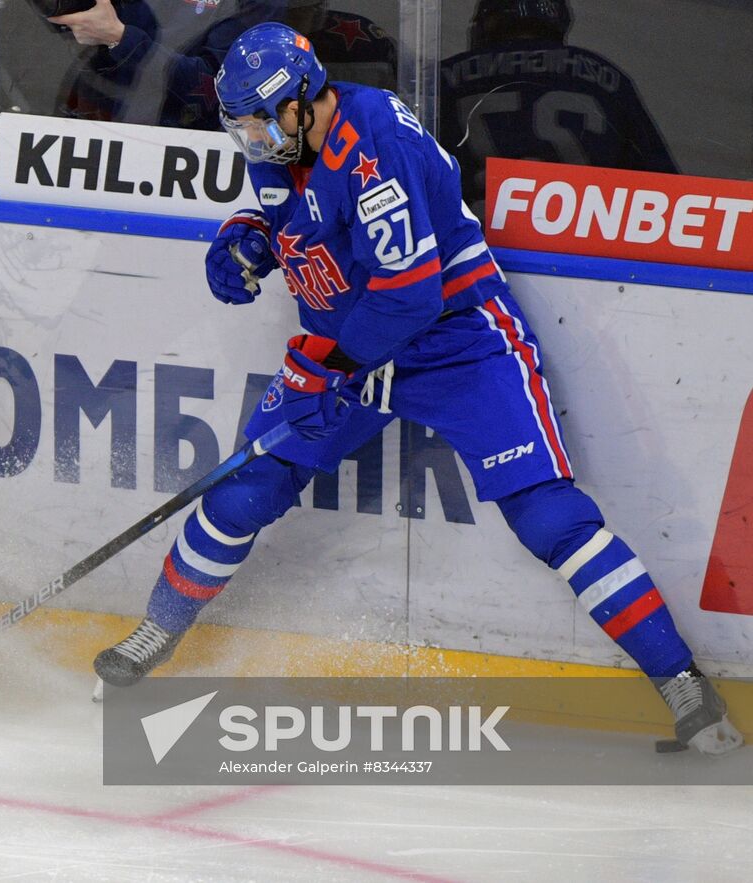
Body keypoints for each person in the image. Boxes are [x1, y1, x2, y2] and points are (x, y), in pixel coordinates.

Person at [92, 22, 742, 757]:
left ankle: (684, 683)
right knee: (246, 489)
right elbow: (295, 218)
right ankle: (155, 634)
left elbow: (407, 296)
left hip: (457, 345)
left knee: (549, 517)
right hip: (351, 350)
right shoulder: (288, 138)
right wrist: (247, 235)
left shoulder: (377, 150)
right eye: (239, 125)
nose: (252, 139)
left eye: (259, 122)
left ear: (303, 101)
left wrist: (327, 368)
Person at [438, 0, 678, 214]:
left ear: (486, 22)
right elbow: (667, 192)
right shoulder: (608, 79)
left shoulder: (440, 80)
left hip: (472, 242)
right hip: (580, 242)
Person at [50, 0, 396, 129]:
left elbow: (216, 90)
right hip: (96, 126)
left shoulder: (256, 4)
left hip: (187, 153)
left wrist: (118, 36)